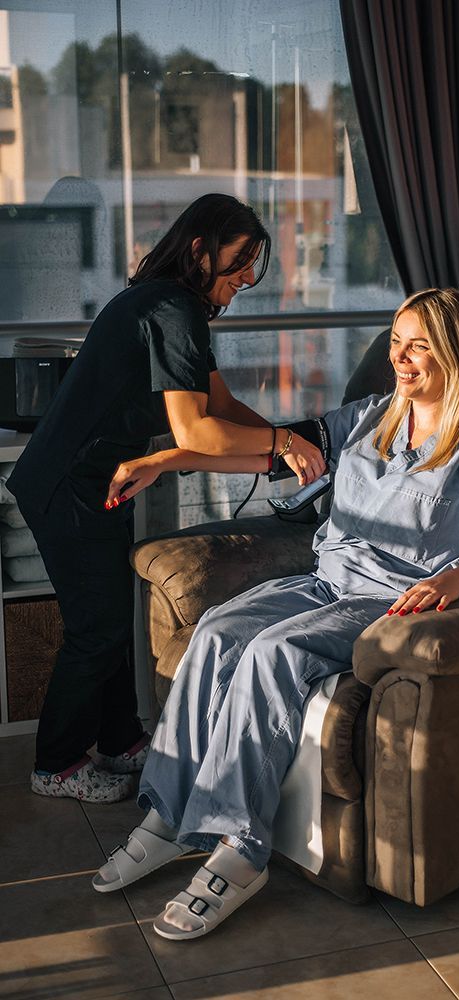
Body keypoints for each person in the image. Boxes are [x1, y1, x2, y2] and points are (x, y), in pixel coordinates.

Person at [92, 287, 459, 941]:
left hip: (387, 601)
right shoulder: (373, 417)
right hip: (325, 582)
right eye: (396, 340)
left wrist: (454, 579)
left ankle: (241, 853)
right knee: (215, 631)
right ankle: (167, 817)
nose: (402, 359)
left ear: (455, 355)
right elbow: (276, 452)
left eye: (419, 347)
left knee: (275, 654)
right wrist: (167, 458)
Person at [7, 193, 326, 804]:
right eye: (237, 266)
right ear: (200, 249)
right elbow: (198, 433)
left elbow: (224, 408)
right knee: (94, 629)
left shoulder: (165, 303)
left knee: (109, 619)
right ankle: (55, 764)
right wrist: (283, 441)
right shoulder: (173, 309)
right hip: (68, 484)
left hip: (98, 479)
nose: (241, 281)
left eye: (252, 269)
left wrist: (293, 447)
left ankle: (121, 740)